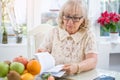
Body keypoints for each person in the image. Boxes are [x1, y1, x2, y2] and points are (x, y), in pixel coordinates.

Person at [37, 0, 97, 75]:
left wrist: (77, 67)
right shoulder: (53, 32)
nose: (70, 22)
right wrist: (42, 55)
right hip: (54, 77)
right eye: (67, 17)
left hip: (78, 77)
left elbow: (92, 60)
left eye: (75, 18)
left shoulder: (88, 35)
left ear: (83, 20)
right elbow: (42, 53)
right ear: (62, 16)